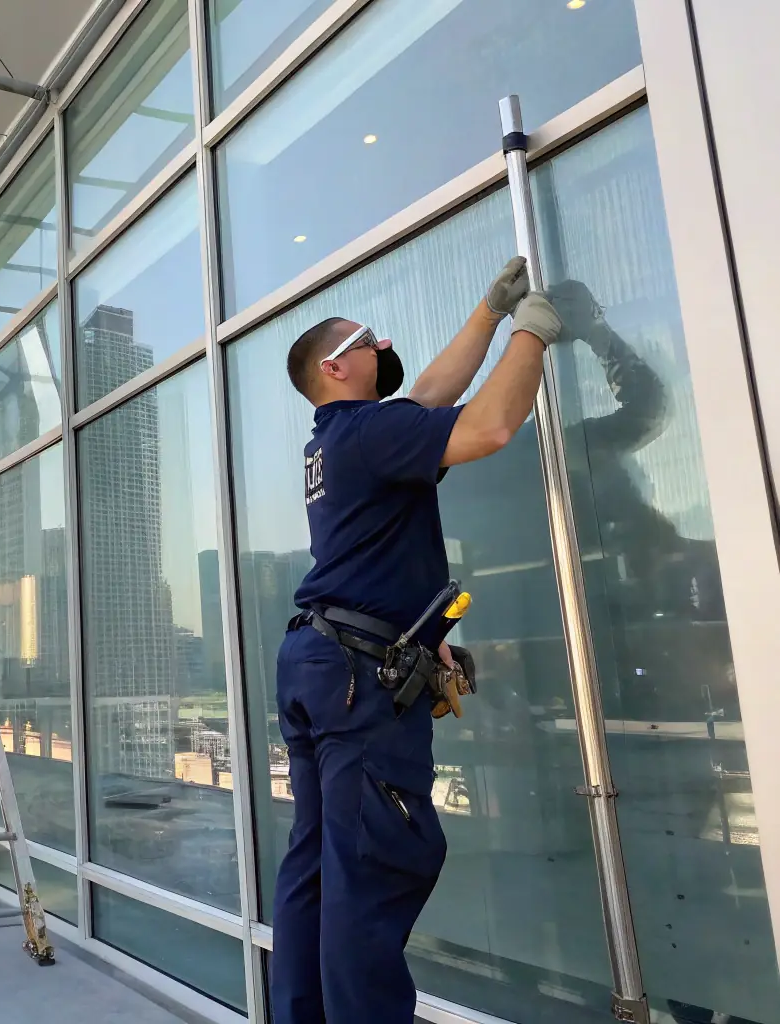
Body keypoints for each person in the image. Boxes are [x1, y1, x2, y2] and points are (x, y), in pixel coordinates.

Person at [271, 258, 565, 1024]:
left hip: (320, 660)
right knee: (371, 869)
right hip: (354, 678)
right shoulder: (369, 433)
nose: (387, 344)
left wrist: (484, 314)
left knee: (320, 867)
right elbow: (488, 425)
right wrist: (530, 334)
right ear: (335, 366)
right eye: (371, 340)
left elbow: (426, 398)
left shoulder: (336, 438)